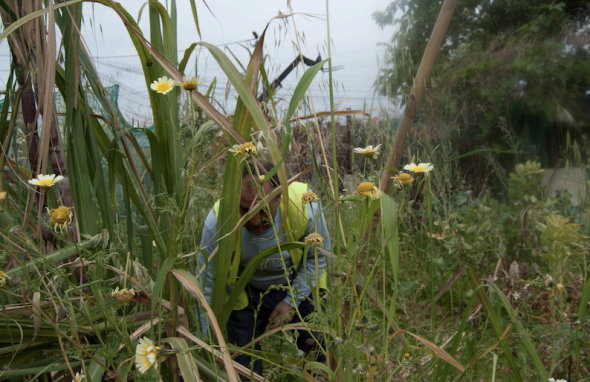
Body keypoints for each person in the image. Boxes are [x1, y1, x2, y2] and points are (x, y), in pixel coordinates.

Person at [196, 160, 330, 377]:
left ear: (281, 197)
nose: (255, 221)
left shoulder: (306, 205)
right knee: (242, 364)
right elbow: (206, 286)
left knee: (315, 341)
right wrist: (203, 346)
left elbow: (317, 260)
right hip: (246, 292)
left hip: (298, 283)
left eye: (264, 210)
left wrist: (291, 302)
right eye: (245, 209)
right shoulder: (218, 222)